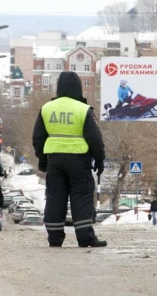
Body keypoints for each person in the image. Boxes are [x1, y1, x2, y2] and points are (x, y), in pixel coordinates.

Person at [33, 71, 107, 248]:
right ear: (79, 88)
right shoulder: (83, 110)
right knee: (81, 198)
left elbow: (38, 138)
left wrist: (42, 160)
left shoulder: (46, 109)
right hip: (79, 162)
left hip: (55, 162)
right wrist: (100, 159)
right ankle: (85, 238)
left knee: (55, 197)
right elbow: (95, 138)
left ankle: (55, 238)